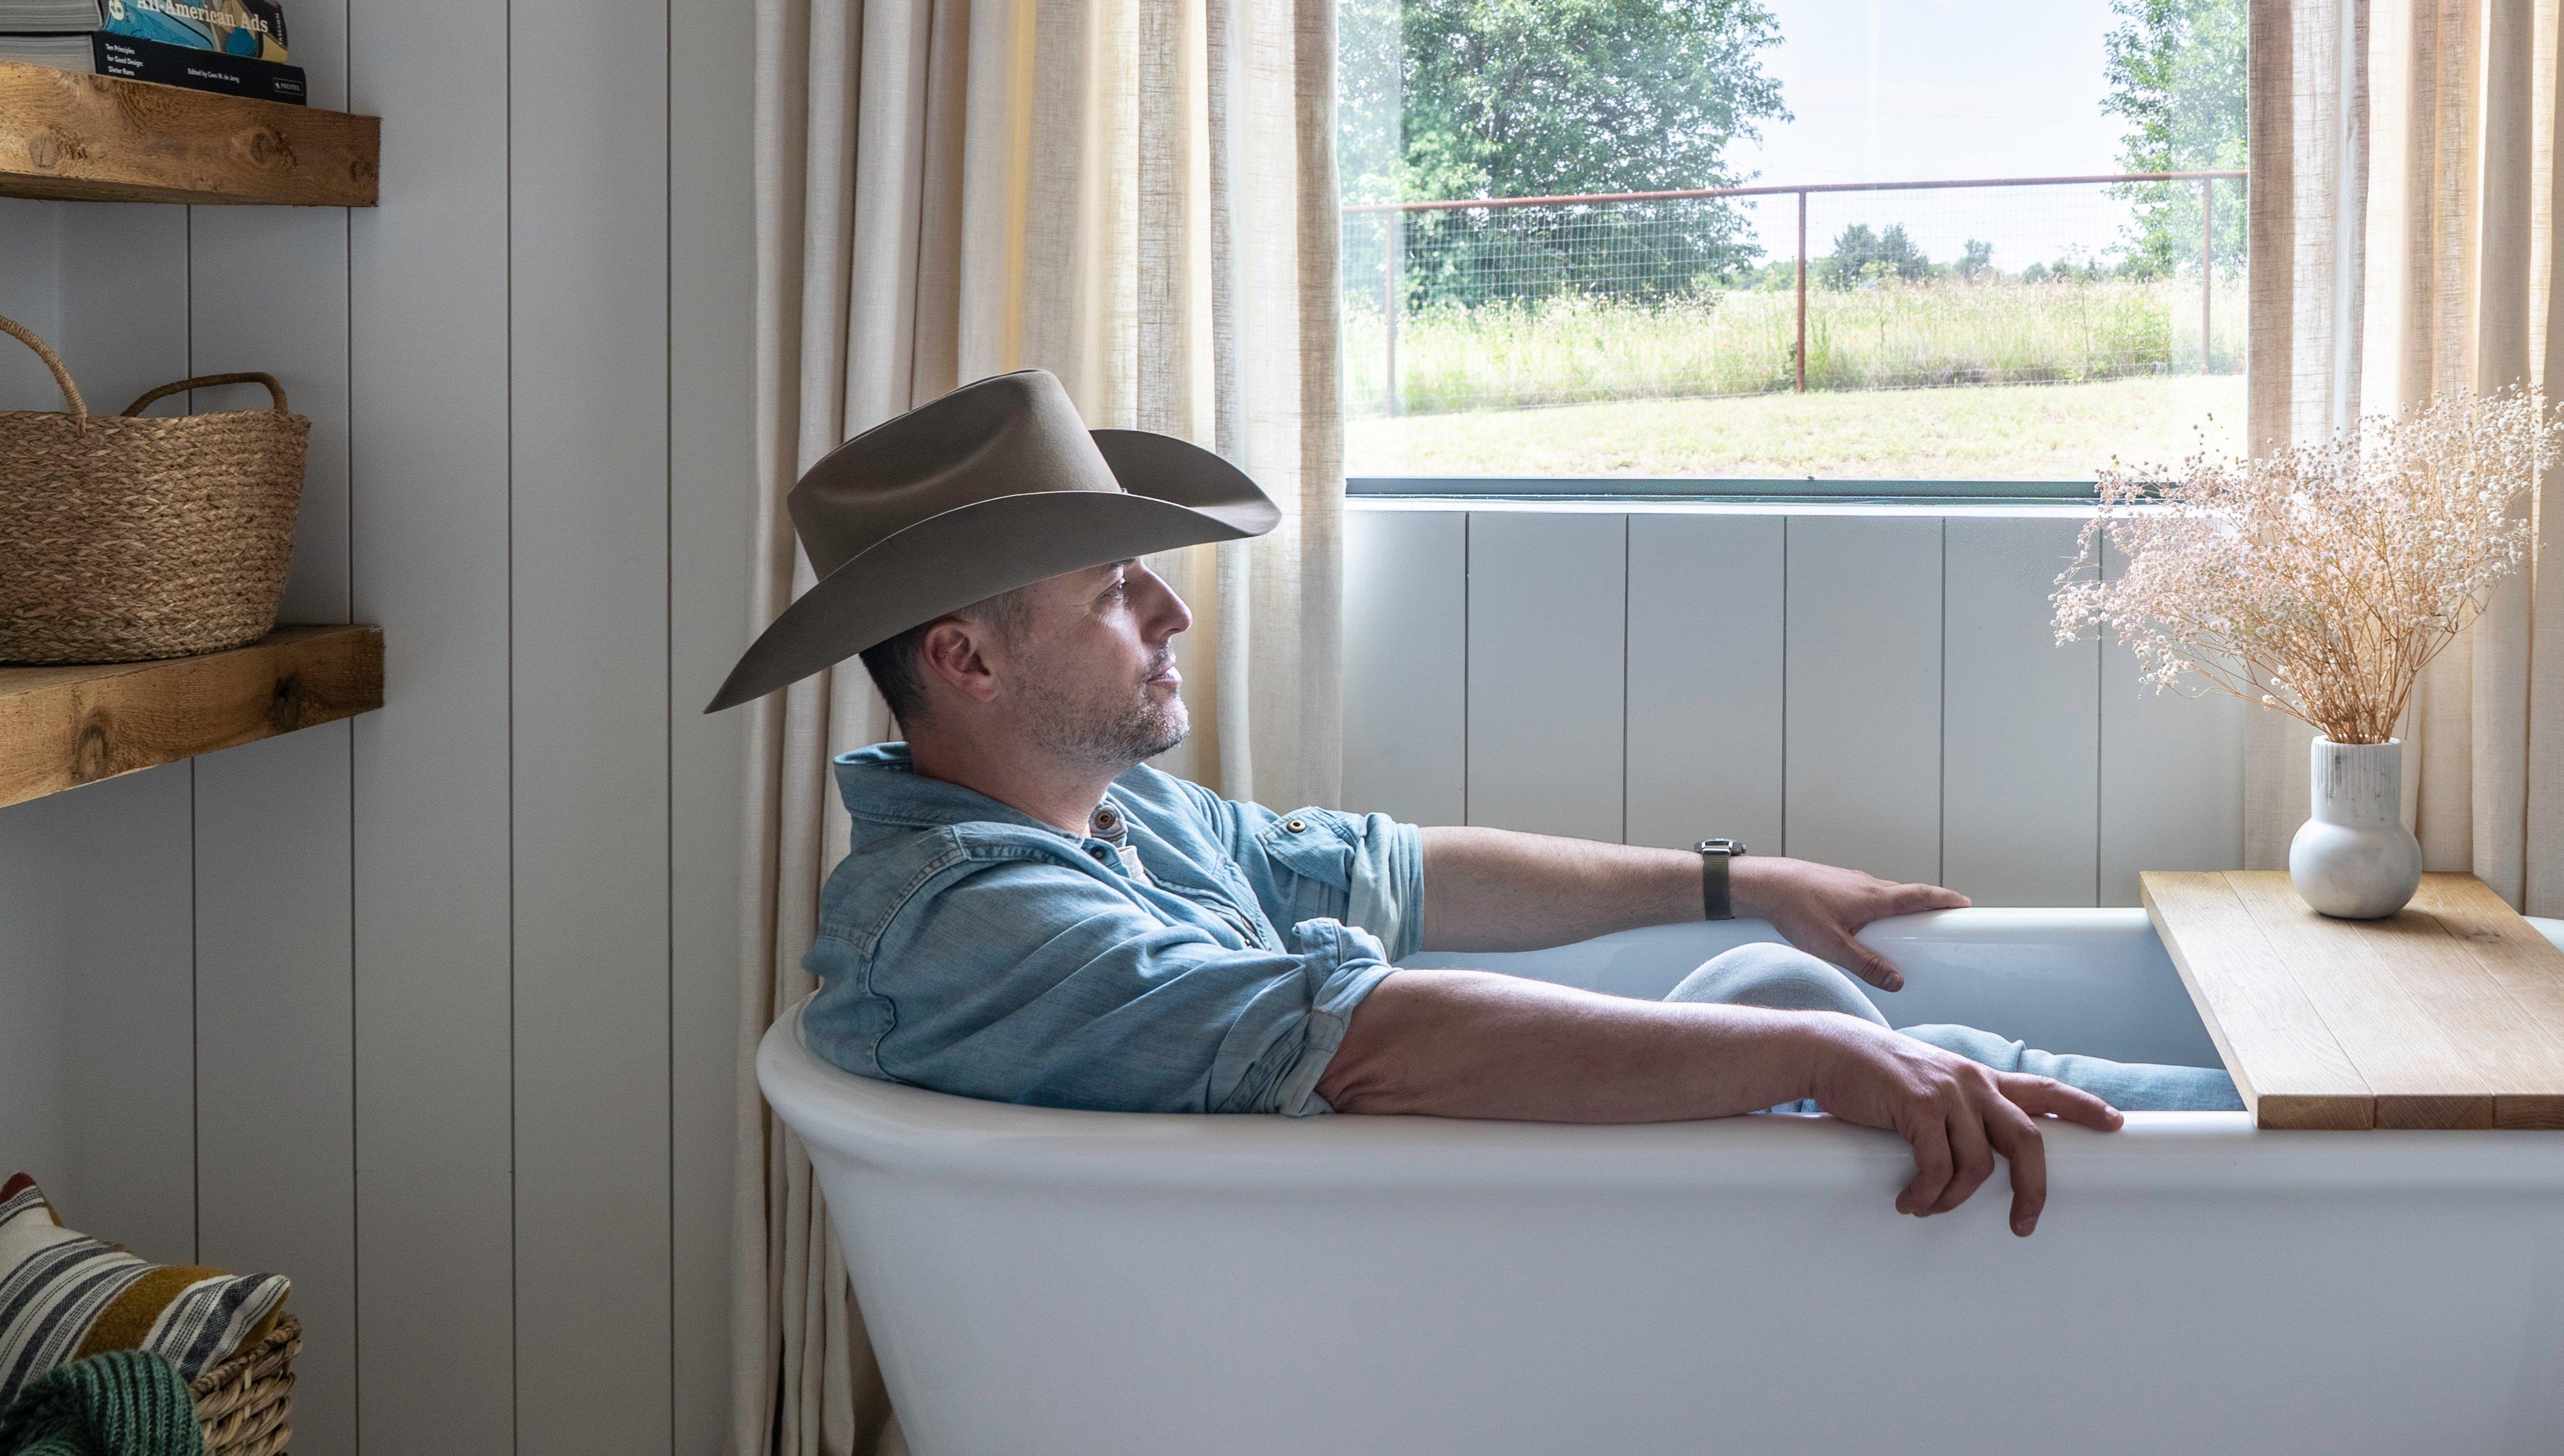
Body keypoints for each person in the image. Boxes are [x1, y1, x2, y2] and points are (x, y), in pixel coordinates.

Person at [710, 372, 2236, 1241]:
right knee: (1815, 1036)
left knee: (1792, 984)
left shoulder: (1115, 817)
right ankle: (2271, 1156)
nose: (1172, 611)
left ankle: (2264, 1127)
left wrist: (1736, 878)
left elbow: (1398, 872)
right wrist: (1815, 1055)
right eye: (1115, 590)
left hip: (1413, 1281)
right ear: (964, 660)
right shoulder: (968, 925)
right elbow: (1375, 1042)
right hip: (1361, 1333)